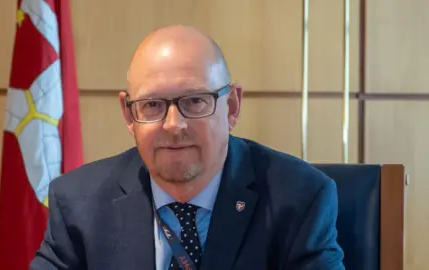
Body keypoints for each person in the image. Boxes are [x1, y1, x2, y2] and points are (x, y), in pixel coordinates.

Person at [30, 25, 345, 270]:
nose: (172, 125)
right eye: (152, 104)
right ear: (129, 115)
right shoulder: (78, 204)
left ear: (232, 106)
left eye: (195, 101)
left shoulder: (300, 199)